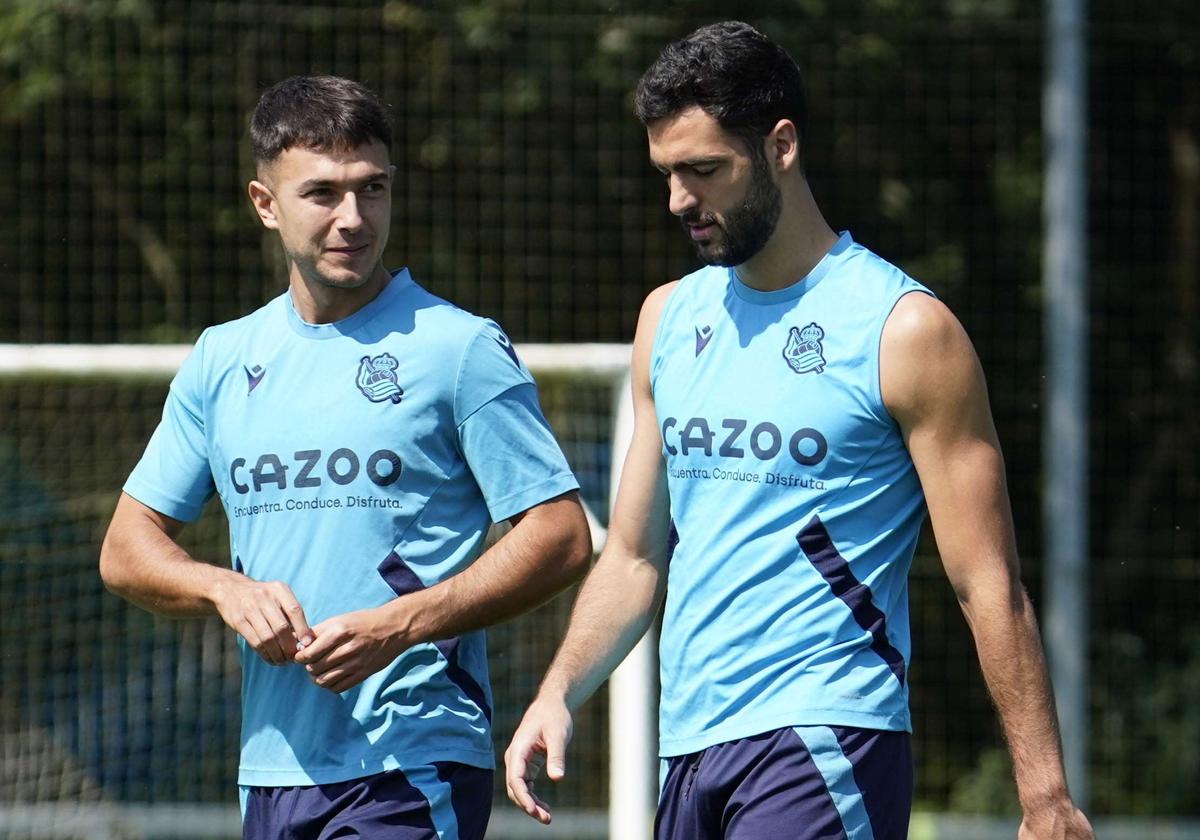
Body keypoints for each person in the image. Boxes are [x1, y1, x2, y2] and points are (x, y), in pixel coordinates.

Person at [505, 21, 1093, 840]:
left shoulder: (902, 330)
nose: (680, 200)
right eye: (667, 174)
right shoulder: (668, 320)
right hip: (692, 747)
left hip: (827, 738)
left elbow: (987, 580)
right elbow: (637, 555)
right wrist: (558, 691)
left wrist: (1045, 796)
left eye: (704, 170)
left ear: (780, 145)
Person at [99, 74, 591, 840]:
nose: (353, 219)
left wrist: (403, 624)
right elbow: (126, 550)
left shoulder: (458, 348)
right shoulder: (223, 359)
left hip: (412, 759)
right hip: (272, 767)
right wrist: (222, 590)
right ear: (265, 204)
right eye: (323, 193)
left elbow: (561, 533)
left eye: (373, 189)